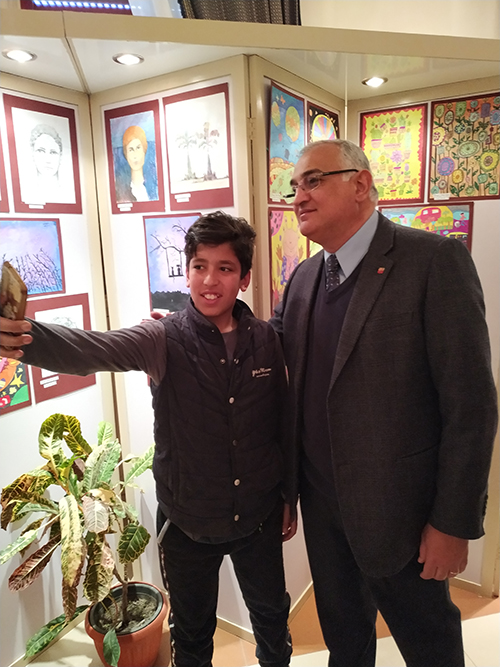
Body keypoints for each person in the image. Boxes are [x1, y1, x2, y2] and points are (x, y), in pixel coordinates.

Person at [0, 211, 295, 667]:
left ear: (244, 278)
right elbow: (90, 349)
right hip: (188, 525)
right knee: (192, 636)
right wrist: (25, 337)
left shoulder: (266, 340)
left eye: (225, 268)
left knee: (273, 621)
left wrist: (288, 496)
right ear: (187, 271)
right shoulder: (162, 337)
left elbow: (282, 424)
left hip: (258, 517)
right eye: (199, 266)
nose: (209, 280)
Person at [269, 139, 497, 667]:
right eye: (294, 186)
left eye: (313, 180)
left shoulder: (433, 261)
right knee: (345, 640)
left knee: (429, 645)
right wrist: (191, 339)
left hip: (403, 516)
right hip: (323, 509)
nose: (298, 196)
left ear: (361, 184)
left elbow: (471, 406)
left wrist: (453, 522)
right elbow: (269, 354)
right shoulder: (304, 277)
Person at [116, 125, 157, 203]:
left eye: (138, 148)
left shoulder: (154, 187)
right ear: (126, 154)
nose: (135, 155)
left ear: (144, 149)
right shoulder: (122, 191)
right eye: (131, 150)